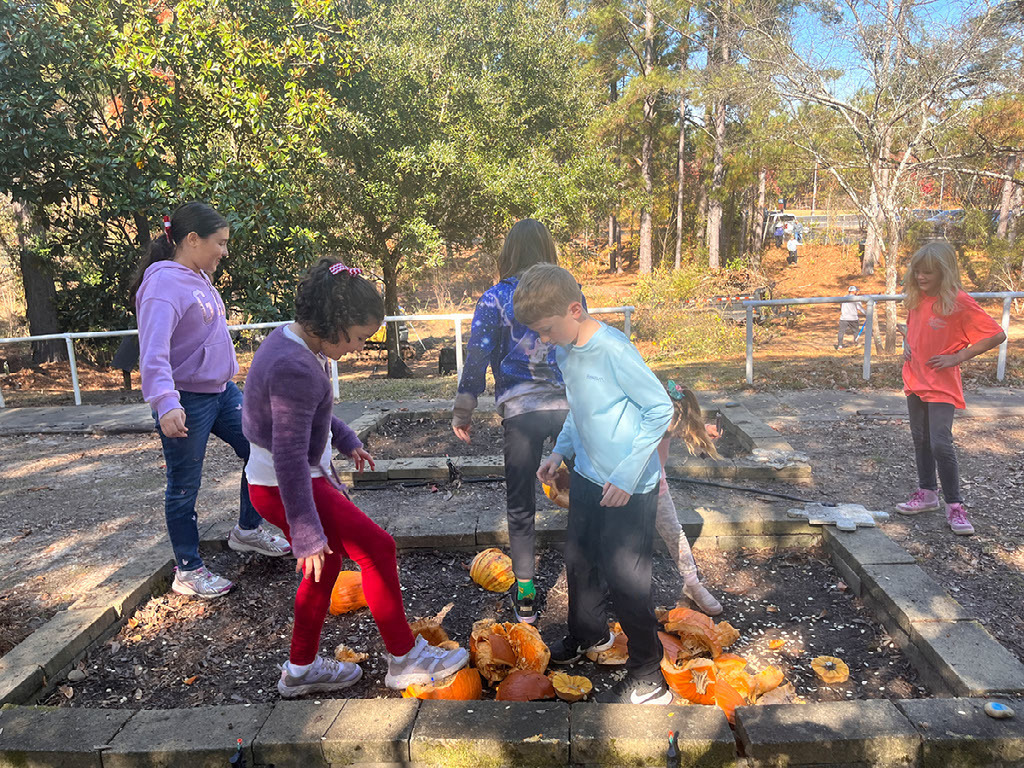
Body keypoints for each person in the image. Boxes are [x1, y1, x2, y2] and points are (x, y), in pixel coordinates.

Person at [242, 258, 469, 698]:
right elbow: (289, 454)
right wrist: (306, 533)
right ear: (337, 322)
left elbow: (310, 419)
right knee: (377, 549)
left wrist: (345, 438)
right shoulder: (297, 368)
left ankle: (300, 669)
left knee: (323, 573)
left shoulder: (292, 344)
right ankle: (404, 660)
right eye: (361, 337)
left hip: (278, 482)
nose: (360, 347)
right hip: (289, 483)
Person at [515, 263, 674, 705]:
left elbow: (660, 410)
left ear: (575, 309)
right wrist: (559, 453)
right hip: (587, 476)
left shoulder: (613, 350)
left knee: (627, 580)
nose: (545, 339)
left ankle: (649, 674)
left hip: (628, 485)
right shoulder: (567, 350)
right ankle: (590, 637)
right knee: (579, 562)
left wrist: (624, 474)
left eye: (547, 329)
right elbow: (581, 411)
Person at [131, 202, 290, 600]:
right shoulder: (163, 285)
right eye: (219, 243)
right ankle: (188, 569)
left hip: (222, 392)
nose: (224, 251)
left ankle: (248, 530)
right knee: (184, 485)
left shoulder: (198, 277)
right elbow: (153, 352)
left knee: (262, 447)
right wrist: (165, 402)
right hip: (186, 400)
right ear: (191, 239)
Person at [452, 219, 569, 624]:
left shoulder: (494, 299)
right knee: (584, 494)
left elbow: (477, 357)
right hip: (568, 409)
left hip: (520, 413)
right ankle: (596, 579)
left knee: (521, 504)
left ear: (509, 253)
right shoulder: (567, 293)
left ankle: (525, 596)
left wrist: (463, 409)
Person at [895, 241, 1006, 535]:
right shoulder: (917, 297)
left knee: (940, 442)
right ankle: (927, 494)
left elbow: (996, 335)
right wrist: (907, 343)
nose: (921, 278)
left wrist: (958, 356)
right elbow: (913, 328)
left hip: (941, 384)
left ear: (943, 272)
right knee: (920, 439)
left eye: (928, 273)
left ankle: (955, 506)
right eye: (917, 272)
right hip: (914, 379)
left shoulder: (959, 301)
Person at [656, 381, 722, 615]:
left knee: (674, 533)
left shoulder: (671, 420)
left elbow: (684, 429)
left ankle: (692, 583)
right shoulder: (645, 418)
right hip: (625, 489)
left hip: (656, 485)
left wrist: (703, 431)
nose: (672, 429)